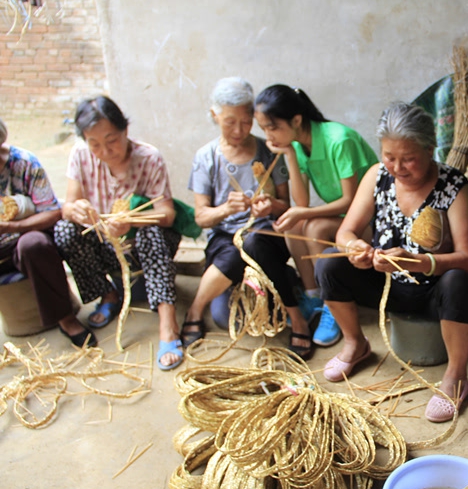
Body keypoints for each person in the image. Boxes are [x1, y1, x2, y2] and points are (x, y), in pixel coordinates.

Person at [315, 102, 468, 422]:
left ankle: (456, 376)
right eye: (390, 157)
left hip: (435, 293)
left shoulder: (453, 186)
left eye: (409, 159)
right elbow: (344, 231)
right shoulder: (376, 177)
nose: (398, 167)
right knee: (329, 263)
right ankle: (356, 344)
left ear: (430, 149)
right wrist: (356, 248)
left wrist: (419, 262)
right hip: (386, 287)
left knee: (458, 278)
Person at [183, 77, 318, 358]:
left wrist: (270, 206)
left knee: (252, 241)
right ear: (214, 115)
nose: (239, 129)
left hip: (265, 236)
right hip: (224, 243)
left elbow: (286, 206)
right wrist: (226, 210)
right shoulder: (206, 157)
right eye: (229, 121)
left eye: (246, 122)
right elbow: (201, 218)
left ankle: (297, 318)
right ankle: (197, 308)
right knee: (226, 318)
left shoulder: (268, 150)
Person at [54, 96, 183, 368]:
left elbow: (167, 214)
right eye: (94, 143)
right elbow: (67, 206)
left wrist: (132, 221)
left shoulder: (148, 157)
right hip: (105, 246)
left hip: (143, 249)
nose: (104, 150)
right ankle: (109, 294)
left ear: (125, 130)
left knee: (151, 231)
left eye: (111, 140)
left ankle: (167, 324)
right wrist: (75, 210)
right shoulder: (80, 155)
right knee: (65, 230)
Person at [254, 85, 378, 347]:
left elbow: (351, 201)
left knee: (314, 227)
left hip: (371, 222)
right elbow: (301, 202)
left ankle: (332, 303)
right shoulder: (297, 145)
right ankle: (314, 296)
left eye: (272, 127)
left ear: (296, 120)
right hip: (345, 219)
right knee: (294, 223)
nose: (268, 135)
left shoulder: (339, 140)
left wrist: (304, 212)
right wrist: (288, 153)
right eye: (264, 128)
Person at [0, 118, 96, 347]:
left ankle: (66, 318)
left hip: (21, 239)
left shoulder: (23, 162)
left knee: (34, 245)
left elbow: (53, 213)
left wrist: (11, 227)